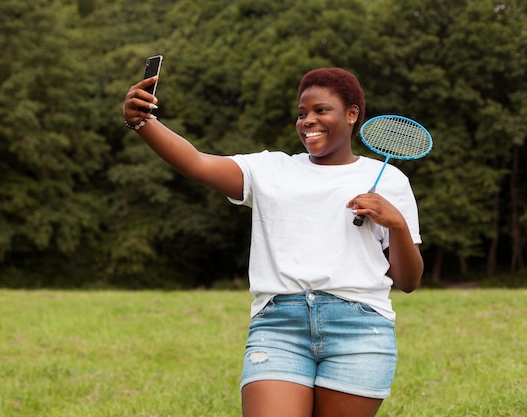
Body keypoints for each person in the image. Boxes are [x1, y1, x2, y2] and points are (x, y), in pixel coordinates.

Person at [122, 66, 424, 417]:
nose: (307, 121)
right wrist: (142, 122)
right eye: (301, 113)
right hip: (279, 327)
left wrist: (397, 224)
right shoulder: (271, 170)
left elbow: (409, 281)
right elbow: (196, 164)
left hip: (359, 329)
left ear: (352, 114)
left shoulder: (390, 181)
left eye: (320, 110)